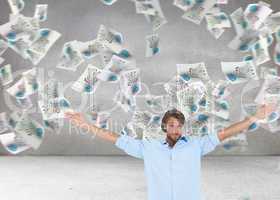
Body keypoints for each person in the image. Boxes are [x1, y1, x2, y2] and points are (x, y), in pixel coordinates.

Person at [65, 103, 276, 200]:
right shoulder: (148, 148)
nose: (175, 129)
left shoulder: (196, 145)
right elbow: (115, 138)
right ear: (164, 127)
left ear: (182, 126)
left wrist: (255, 117)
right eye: (171, 125)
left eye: (178, 125)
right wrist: (85, 125)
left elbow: (226, 133)